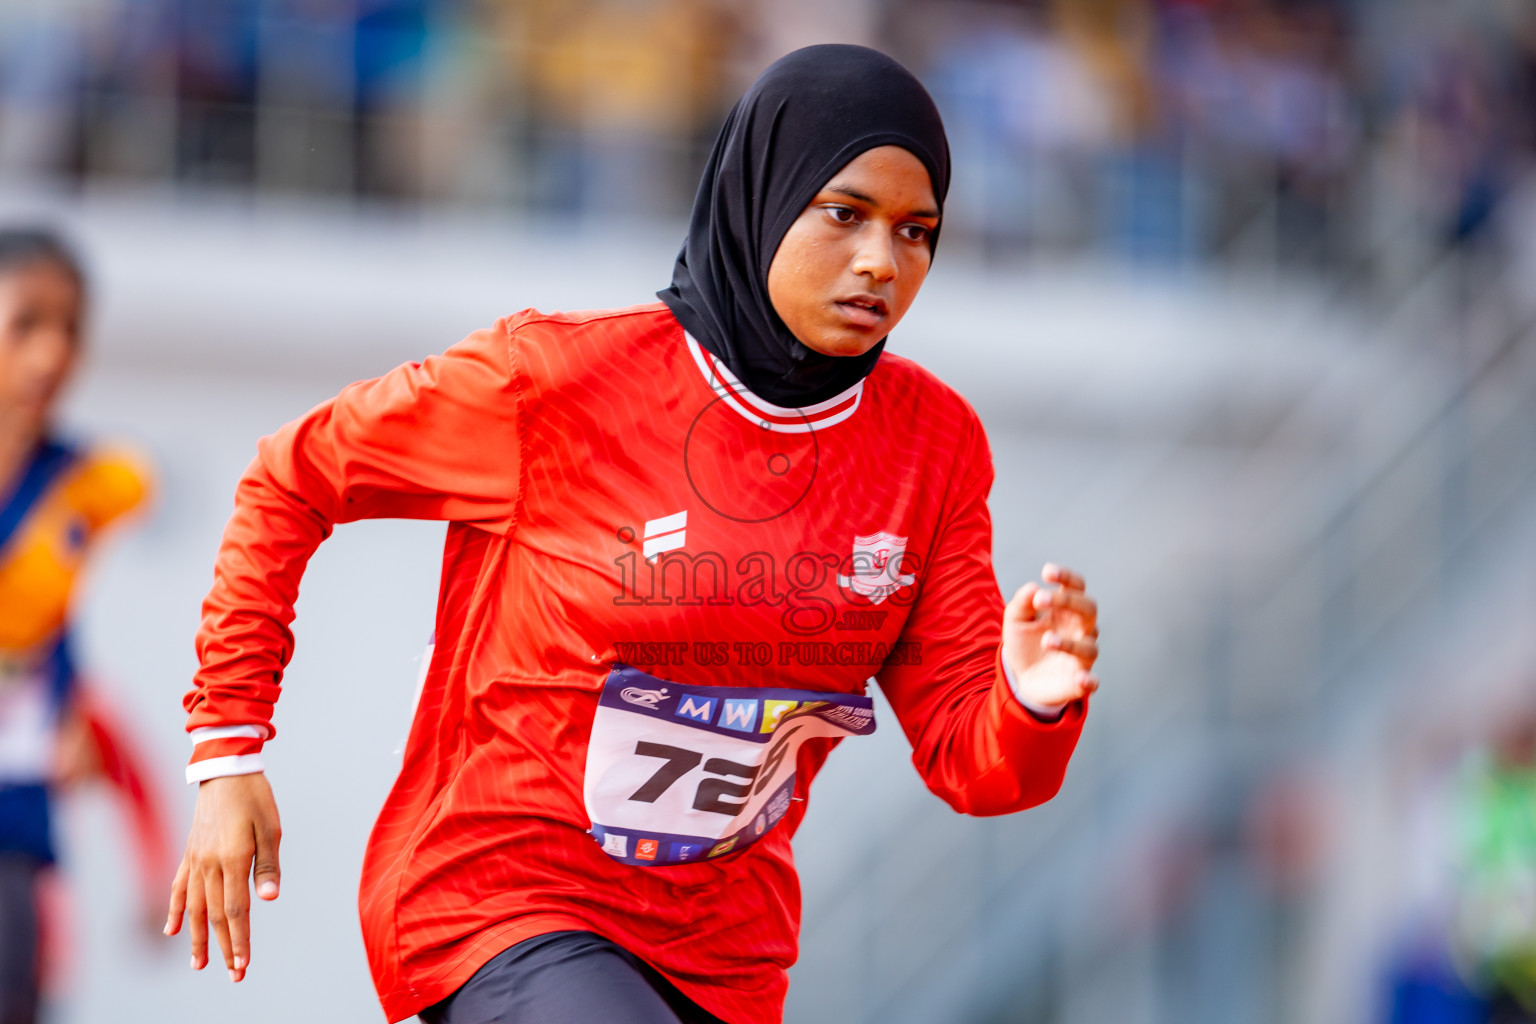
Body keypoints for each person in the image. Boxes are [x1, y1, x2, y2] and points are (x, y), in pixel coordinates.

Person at [166, 45, 1100, 1024]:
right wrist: (227, 750)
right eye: (844, 214)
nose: (882, 260)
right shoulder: (555, 382)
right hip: (502, 901)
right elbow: (291, 474)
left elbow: (971, 759)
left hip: (726, 955)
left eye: (918, 232)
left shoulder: (933, 445)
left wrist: (1031, 701)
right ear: (763, 194)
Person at [0, 228, 165, 1023]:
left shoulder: (81, 487)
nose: (49, 355)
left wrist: (156, 868)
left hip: (14, 838)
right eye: (25, 323)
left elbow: (104, 732)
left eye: (70, 330)